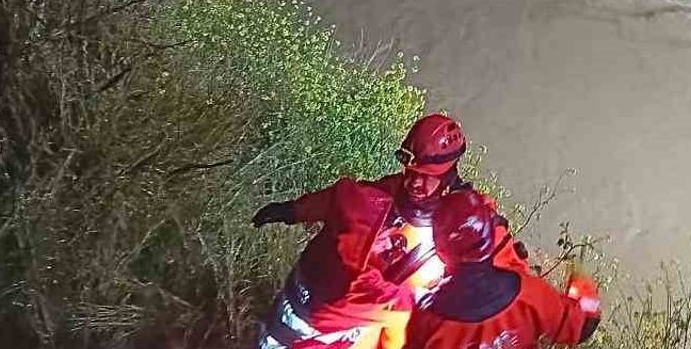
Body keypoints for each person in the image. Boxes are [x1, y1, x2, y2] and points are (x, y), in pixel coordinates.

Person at [252, 114, 529, 349]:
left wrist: (516, 279)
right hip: (317, 302)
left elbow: (502, 257)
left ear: (446, 174)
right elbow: (342, 200)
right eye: (410, 172)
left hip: (371, 323)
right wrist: (293, 210)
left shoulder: (469, 219)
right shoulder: (389, 192)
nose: (414, 183)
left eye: (425, 176)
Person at [403, 190, 602, 349]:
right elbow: (582, 326)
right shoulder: (529, 294)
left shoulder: (428, 319)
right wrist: (583, 284)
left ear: (440, 249)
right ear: (491, 238)